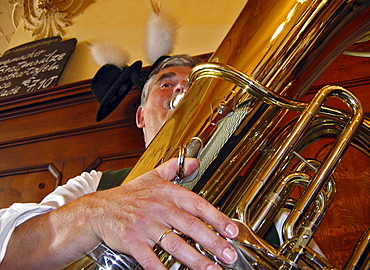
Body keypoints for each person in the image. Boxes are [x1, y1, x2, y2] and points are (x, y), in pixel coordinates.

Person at [0, 55, 240, 270]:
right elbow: (7, 247)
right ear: (141, 115)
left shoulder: (243, 174)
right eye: (166, 84)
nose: (181, 88)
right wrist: (94, 214)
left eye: (194, 85)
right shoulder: (95, 184)